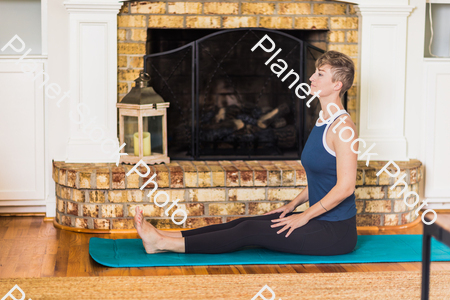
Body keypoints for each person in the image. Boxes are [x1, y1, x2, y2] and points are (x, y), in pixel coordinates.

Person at [133, 50, 359, 256]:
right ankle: (167, 235)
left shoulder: (343, 128)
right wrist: (291, 206)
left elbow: (345, 186)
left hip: (335, 232)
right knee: (246, 222)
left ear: (337, 85)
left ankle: (163, 244)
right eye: (315, 72)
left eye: (320, 74)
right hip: (317, 219)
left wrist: (304, 216)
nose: (311, 77)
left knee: (250, 230)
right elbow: (323, 179)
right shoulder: (323, 120)